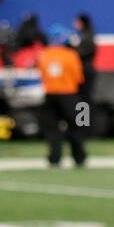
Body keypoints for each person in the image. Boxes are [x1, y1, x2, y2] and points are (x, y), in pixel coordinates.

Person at [37, 24, 87, 167]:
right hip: (69, 95)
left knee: (52, 129)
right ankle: (79, 157)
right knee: (77, 126)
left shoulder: (44, 55)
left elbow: (42, 75)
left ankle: (54, 157)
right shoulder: (71, 55)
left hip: (50, 95)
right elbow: (79, 78)